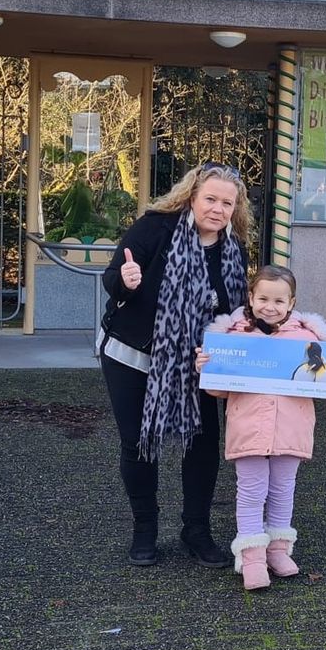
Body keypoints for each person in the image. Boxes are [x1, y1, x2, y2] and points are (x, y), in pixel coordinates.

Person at [99, 163, 252, 569]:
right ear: (191, 196)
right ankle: (144, 529)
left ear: (235, 209)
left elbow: (238, 312)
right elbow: (113, 277)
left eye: (227, 203)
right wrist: (127, 280)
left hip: (198, 365)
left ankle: (196, 530)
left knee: (202, 446)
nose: (218, 209)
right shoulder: (154, 229)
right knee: (139, 444)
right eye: (211, 199)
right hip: (133, 355)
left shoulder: (234, 249)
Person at [195, 265, 326, 591]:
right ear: (250, 298)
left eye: (279, 301)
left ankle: (278, 549)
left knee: (282, 490)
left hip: (291, 430)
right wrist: (207, 369)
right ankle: (252, 557)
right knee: (251, 491)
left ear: (291, 303)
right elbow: (219, 389)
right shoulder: (233, 337)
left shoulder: (309, 340)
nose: (270, 306)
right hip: (249, 428)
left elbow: (321, 380)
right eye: (263, 298)